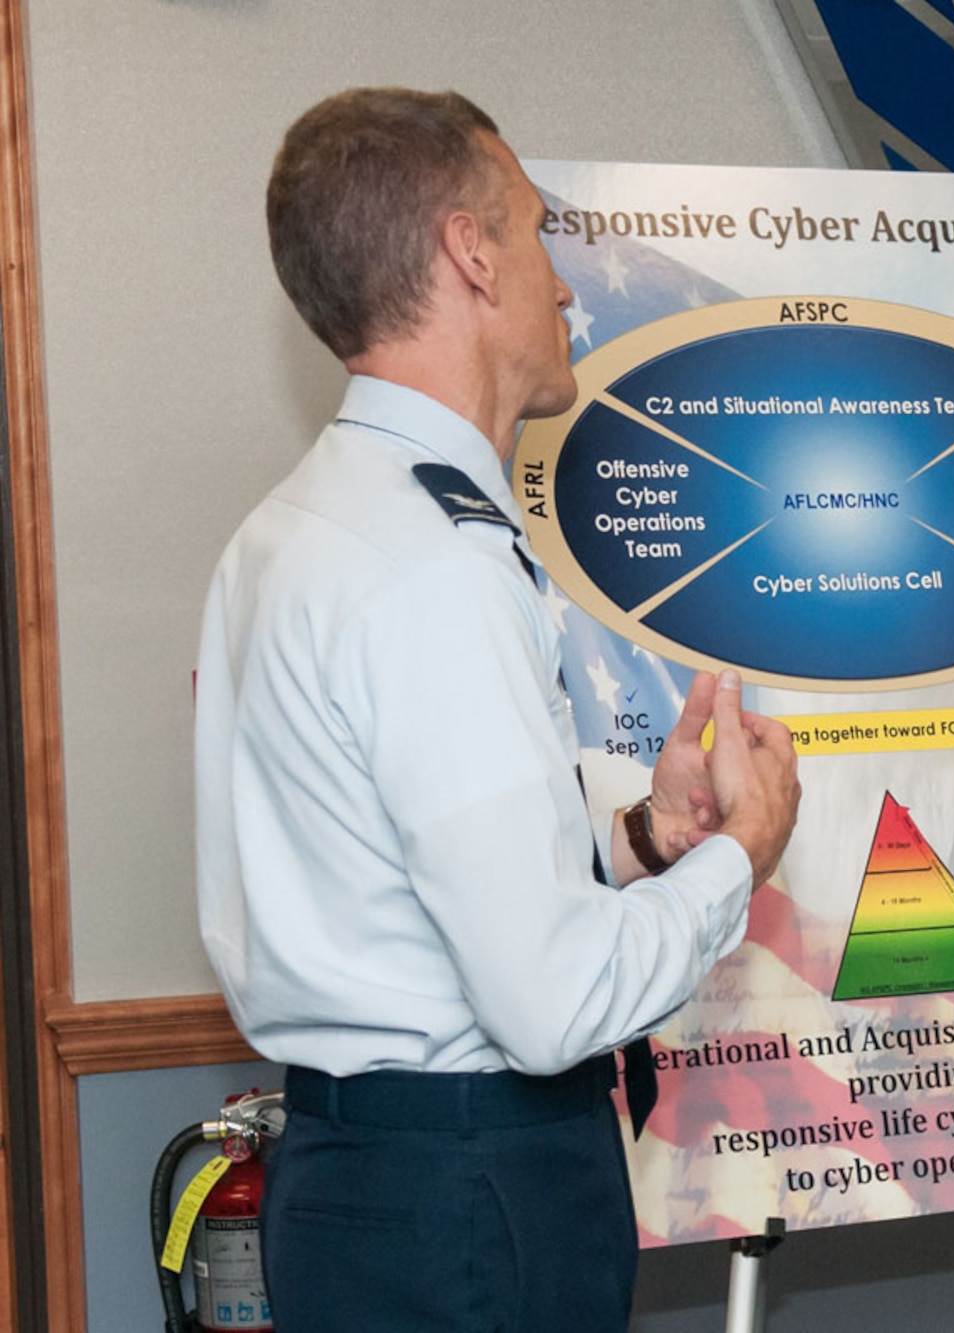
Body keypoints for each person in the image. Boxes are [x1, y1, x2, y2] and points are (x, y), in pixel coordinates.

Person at [193, 87, 800, 1332]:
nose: (564, 286)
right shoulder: (431, 565)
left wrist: (644, 841)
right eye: (533, 233)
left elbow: (401, 875)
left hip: (364, 1187)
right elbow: (548, 1002)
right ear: (470, 253)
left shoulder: (294, 531)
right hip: (470, 1202)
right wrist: (742, 853)